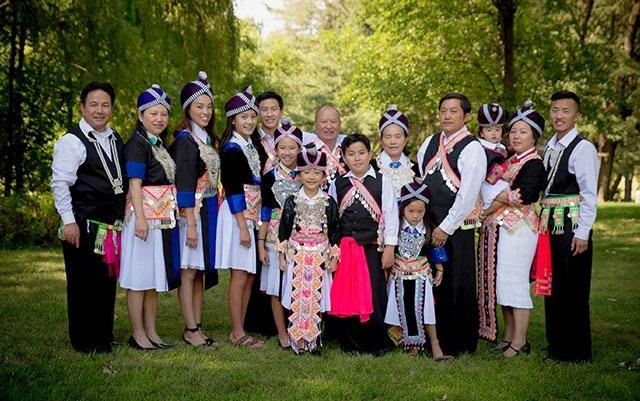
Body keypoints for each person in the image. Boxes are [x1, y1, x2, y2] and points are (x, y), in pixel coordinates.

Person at [51, 81, 126, 353]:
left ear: (111, 109)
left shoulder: (115, 138)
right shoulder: (71, 141)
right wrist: (69, 221)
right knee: (82, 283)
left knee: (105, 282)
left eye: (105, 105)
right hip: (82, 224)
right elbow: (60, 184)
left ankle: (103, 336)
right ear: (82, 107)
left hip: (109, 226)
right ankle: (83, 341)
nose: (99, 110)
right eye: (93, 104)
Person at [416, 92, 486, 356]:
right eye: (443, 110)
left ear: (466, 116)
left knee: (456, 281)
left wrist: (445, 227)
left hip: (455, 227)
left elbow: (468, 195)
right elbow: (422, 179)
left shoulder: (473, 148)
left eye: (453, 111)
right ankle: (432, 339)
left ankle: (459, 343)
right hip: (430, 224)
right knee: (433, 281)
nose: (447, 116)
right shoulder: (430, 142)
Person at [477, 100, 547, 357]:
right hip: (501, 230)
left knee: (515, 282)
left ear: (534, 137)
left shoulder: (534, 164)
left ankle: (520, 341)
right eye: (514, 131)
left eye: (523, 132)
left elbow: (523, 195)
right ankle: (507, 336)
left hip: (520, 231)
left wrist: (490, 206)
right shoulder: (508, 159)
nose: (516, 136)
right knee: (502, 283)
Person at [120, 84, 180, 350]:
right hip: (143, 219)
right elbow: (134, 183)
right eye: (153, 113)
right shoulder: (137, 143)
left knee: (152, 278)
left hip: (160, 219)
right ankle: (138, 334)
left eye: (163, 114)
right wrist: (141, 219)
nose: (159, 119)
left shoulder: (158, 144)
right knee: (138, 278)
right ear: (140, 115)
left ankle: (152, 332)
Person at [541, 90, 599, 362]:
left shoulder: (583, 148)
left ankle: (576, 351)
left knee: (573, 286)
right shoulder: (551, 146)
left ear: (576, 115)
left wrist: (583, 232)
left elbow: (589, 194)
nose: (559, 115)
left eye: (565, 110)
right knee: (553, 284)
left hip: (572, 224)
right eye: (555, 110)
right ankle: (557, 345)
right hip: (550, 223)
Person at [329, 133, 398, 355]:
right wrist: (333, 250)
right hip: (346, 249)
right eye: (351, 154)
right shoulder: (338, 183)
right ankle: (350, 342)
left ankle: (376, 341)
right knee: (349, 294)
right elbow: (332, 219)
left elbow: (391, 215)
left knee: (373, 294)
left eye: (361, 153)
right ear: (344, 157)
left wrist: (390, 247)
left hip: (372, 248)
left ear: (370, 154)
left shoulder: (382, 181)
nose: (357, 158)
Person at [170, 71, 220, 347]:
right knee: (189, 271)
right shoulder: (185, 140)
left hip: (207, 210)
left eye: (209, 106)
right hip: (192, 213)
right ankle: (190, 329)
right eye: (199, 106)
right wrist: (190, 223)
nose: (205, 111)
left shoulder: (206, 138)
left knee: (199, 271)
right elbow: (185, 184)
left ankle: (197, 325)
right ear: (188, 108)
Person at [215, 85, 265, 348]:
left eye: (252, 116)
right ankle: (237, 332)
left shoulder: (252, 145)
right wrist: (242, 226)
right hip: (238, 215)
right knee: (240, 274)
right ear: (233, 120)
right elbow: (233, 188)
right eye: (243, 116)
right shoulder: (232, 149)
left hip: (252, 213)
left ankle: (241, 328)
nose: (249, 121)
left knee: (249, 274)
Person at [277, 146, 340, 354]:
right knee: (297, 295)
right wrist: (281, 256)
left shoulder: (328, 202)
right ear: (299, 174)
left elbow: (335, 230)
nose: (311, 177)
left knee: (317, 296)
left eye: (316, 172)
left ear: (323, 175)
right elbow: (284, 229)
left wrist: (334, 258)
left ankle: (313, 339)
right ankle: (298, 339)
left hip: (320, 255)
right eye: (306, 172)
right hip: (297, 254)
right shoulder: (292, 200)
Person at [384, 180, 451, 360]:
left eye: (420, 211)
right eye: (411, 211)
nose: (415, 216)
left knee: (425, 308)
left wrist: (440, 269)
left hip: (421, 274)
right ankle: (410, 344)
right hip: (399, 274)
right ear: (402, 209)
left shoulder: (428, 227)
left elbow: (436, 248)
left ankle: (435, 344)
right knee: (403, 307)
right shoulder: (395, 226)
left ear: (426, 210)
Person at [257, 117, 303, 348]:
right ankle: (282, 333)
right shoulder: (269, 177)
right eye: (282, 147)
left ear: (299, 149)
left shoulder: (307, 175)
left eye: (292, 147)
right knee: (276, 285)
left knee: (297, 283)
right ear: (275, 149)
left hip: (301, 237)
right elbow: (265, 212)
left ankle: (299, 329)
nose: (287, 152)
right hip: (275, 237)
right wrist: (260, 243)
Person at [374, 105, 416, 197]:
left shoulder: (416, 169)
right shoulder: (370, 168)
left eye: (398, 137)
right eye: (388, 137)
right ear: (381, 140)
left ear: (406, 140)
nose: (393, 142)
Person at [476, 103, 510, 211]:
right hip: (487, 184)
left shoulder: (500, 147)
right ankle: (485, 213)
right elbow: (485, 170)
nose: (494, 133)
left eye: (497, 130)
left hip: (500, 181)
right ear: (481, 133)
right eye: (489, 130)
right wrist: (503, 173)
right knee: (504, 197)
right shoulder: (481, 148)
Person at [305, 105, 347, 189]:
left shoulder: (348, 148)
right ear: (315, 125)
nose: (329, 126)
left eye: (333, 122)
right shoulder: (305, 152)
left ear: (340, 125)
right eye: (324, 122)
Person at [256, 91, 284, 173]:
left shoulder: (294, 138)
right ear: (258, 113)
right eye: (264, 110)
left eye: (274, 109)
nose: (269, 114)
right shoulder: (252, 140)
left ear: (281, 112)